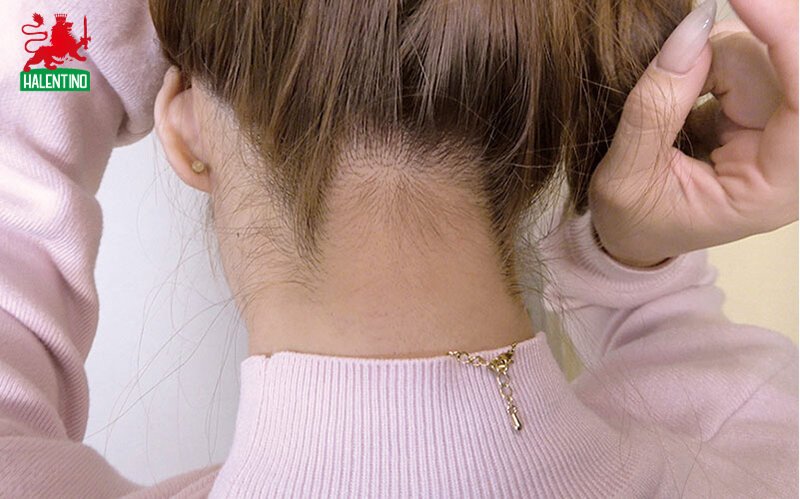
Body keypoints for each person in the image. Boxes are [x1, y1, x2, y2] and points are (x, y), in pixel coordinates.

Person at [0, 0, 796, 496]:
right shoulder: (765, 452)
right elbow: (691, 373)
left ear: (184, 127)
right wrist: (631, 257)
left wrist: (76, 34)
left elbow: (20, 152)